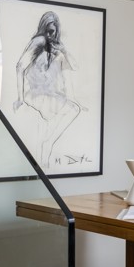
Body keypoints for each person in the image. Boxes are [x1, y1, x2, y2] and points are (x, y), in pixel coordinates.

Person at [13, 11, 83, 167]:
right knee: (68, 113)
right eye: (49, 31)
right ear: (43, 28)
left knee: (73, 109)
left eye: (54, 31)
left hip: (49, 95)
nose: (51, 34)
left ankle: (47, 146)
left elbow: (74, 67)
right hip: (37, 95)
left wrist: (63, 50)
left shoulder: (54, 47)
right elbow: (20, 66)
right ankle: (46, 147)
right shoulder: (39, 40)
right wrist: (20, 98)